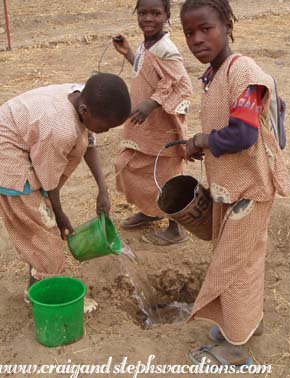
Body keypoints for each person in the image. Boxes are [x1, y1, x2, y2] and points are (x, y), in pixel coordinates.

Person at [180, 0, 290, 366]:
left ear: (227, 24)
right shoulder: (216, 73)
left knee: (234, 266)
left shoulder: (246, 73)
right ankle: (245, 324)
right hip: (233, 188)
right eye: (189, 32)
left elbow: (243, 134)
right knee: (243, 260)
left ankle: (234, 348)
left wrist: (202, 141)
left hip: (252, 189)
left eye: (205, 29)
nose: (197, 39)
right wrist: (203, 143)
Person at [0, 73, 131, 305]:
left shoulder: (80, 96)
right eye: (104, 126)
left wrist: (102, 189)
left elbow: (89, 140)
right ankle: (45, 298)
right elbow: (49, 183)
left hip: (18, 141)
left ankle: (35, 285)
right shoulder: (60, 128)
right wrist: (59, 214)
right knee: (47, 233)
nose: (105, 131)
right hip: (4, 157)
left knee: (40, 228)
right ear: (85, 111)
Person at [112, 0, 193, 246]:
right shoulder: (148, 44)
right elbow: (149, 71)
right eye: (143, 12)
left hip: (162, 126)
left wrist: (153, 102)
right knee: (135, 167)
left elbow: (182, 86)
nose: (148, 18)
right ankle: (150, 211)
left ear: (167, 15)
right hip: (145, 126)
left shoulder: (167, 49)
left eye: (155, 13)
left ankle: (175, 228)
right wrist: (128, 52)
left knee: (165, 173)